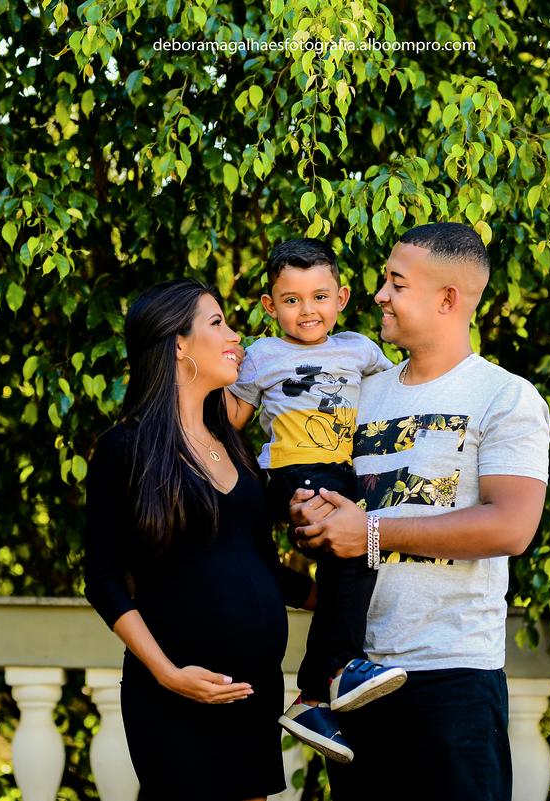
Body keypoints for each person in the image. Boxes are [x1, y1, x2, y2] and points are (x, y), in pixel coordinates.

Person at [289, 222, 550, 801]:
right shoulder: (362, 391)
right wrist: (313, 518)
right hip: (355, 682)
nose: (379, 294)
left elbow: (511, 526)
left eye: (396, 282)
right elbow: (335, 512)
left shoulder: (505, 397)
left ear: (447, 299)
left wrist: (373, 533)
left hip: (452, 676)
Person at [84, 277, 316, 801]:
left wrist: (339, 599)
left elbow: (259, 566)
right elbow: (102, 577)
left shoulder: (233, 446)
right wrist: (168, 674)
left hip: (252, 694)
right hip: (174, 696)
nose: (237, 337)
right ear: (178, 343)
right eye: (219, 324)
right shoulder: (125, 448)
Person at [224, 239, 405, 764]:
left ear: (343, 296)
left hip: (343, 473)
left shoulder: (362, 351)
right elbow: (230, 421)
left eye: (320, 296)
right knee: (357, 555)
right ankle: (339, 669)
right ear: (268, 306)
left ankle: (312, 695)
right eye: (292, 300)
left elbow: (392, 399)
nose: (308, 311)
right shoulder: (262, 356)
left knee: (352, 564)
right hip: (291, 473)